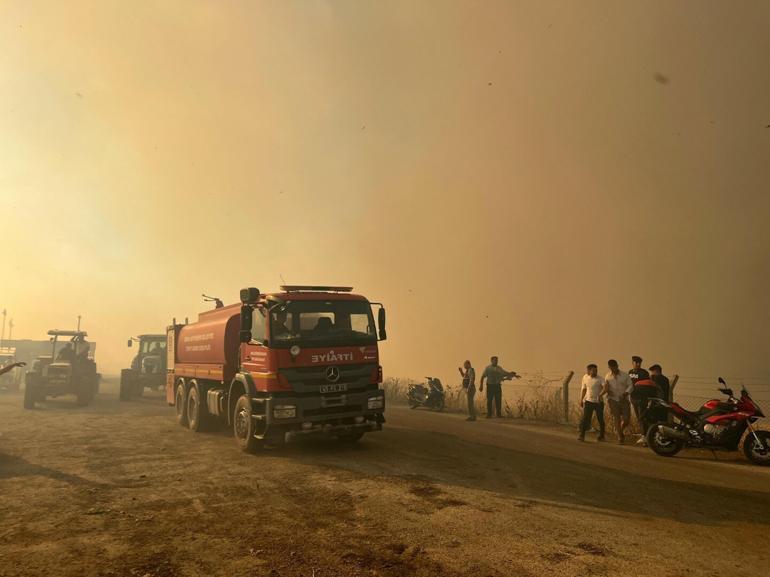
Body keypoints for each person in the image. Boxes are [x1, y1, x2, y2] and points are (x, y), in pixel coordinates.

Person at [628, 356, 657, 444]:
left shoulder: (644, 373)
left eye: (639, 363)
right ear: (632, 363)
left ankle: (645, 436)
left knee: (642, 417)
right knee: (638, 417)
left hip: (642, 398)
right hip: (633, 397)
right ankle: (643, 434)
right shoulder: (630, 372)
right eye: (636, 362)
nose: (637, 364)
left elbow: (648, 385)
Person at [605, 359, 633, 444]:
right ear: (609, 367)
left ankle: (620, 428)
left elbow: (631, 385)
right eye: (611, 367)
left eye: (615, 366)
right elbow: (606, 387)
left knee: (626, 419)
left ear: (617, 366)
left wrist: (626, 393)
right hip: (613, 400)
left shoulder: (625, 375)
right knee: (616, 418)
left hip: (624, 400)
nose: (613, 368)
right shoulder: (608, 376)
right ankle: (620, 437)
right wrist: (607, 391)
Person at [578, 363, 607, 442]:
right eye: (593, 371)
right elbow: (584, 389)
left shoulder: (600, 379)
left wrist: (600, 395)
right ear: (589, 371)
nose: (595, 372)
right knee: (586, 418)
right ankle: (582, 435)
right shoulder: (585, 377)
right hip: (588, 401)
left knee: (600, 419)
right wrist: (581, 400)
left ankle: (602, 435)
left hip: (598, 402)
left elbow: (605, 387)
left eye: (596, 370)